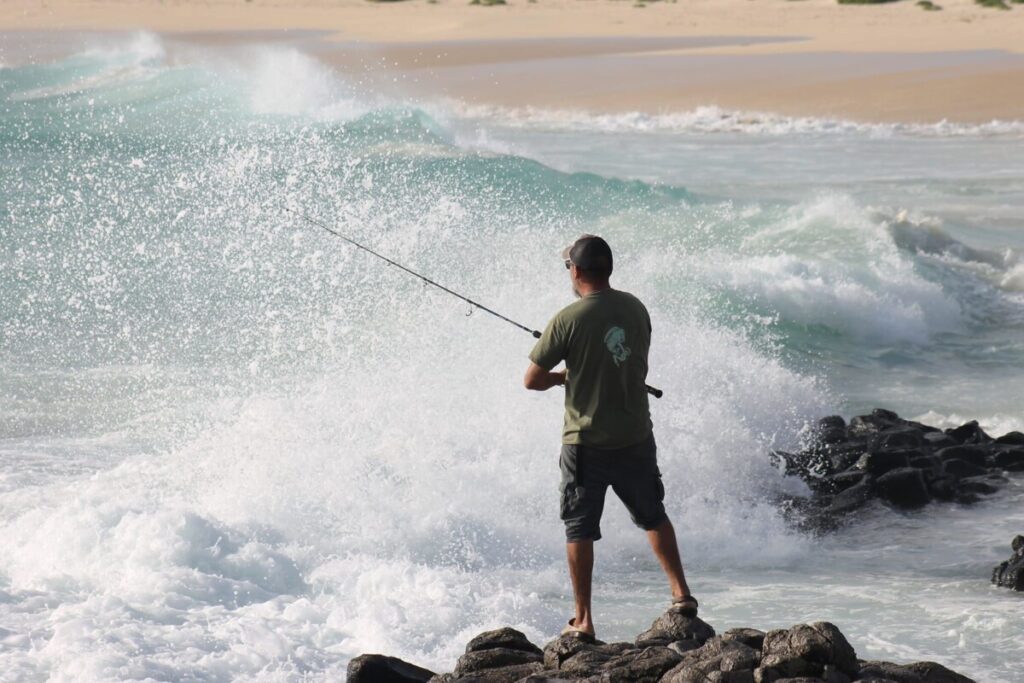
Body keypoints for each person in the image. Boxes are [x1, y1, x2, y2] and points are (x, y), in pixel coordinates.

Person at [523, 234, 697, 642]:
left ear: (578, 270)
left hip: (585, 441)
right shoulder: (636, 308)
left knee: (579, 527)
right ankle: (682, 593)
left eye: (569, 266)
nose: (569, 272)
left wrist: (563, 376)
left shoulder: (568, 319)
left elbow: (531, 380)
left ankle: (583, 620)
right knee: (653, 514)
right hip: (635, 432)